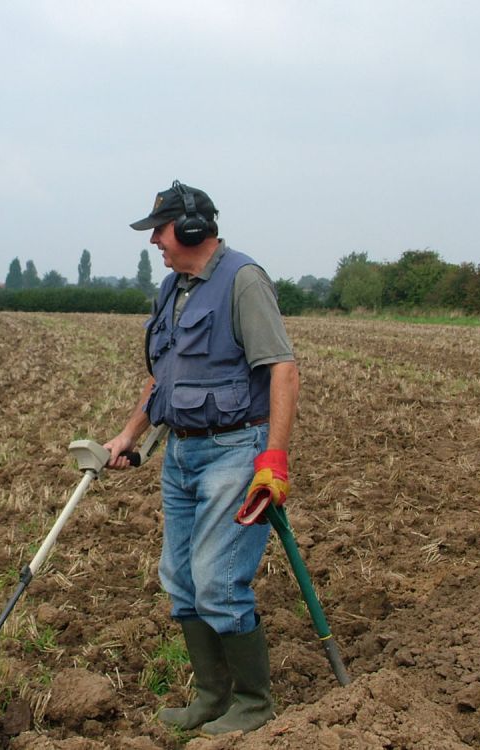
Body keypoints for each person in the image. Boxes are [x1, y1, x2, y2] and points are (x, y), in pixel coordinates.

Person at [104, 180, 299, 735]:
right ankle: (214, 697)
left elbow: (282, 370)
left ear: (191, 229)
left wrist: (274, 461)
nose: (155, 243)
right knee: (181, 580)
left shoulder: (243, 280)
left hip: (237, 451)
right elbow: (161, 376)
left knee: (217, 580)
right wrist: (129, 435)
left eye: (159, 232)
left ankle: (255, 704)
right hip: (181, 453)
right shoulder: (172, 288)